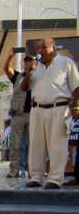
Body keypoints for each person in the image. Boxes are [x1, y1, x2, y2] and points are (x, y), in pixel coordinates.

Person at [21, 38, 79, 189]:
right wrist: (28, 72)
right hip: (37, 109)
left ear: (53, 48)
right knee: (35, 145)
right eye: (39, 48)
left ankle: (55, 179)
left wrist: (76, 107)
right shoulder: (36, 66)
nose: (40, 50)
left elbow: (76, 87)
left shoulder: (66, 62)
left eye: (44, 47)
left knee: (57, 146)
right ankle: (36, 177)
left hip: (59, 108)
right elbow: (24, 88)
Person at [3, 49, 34, 178]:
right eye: (26, 61)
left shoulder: (40, 76)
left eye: (30, 61)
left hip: (34, 115)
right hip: (18, 115)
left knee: (32, 145)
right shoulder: (18, 76)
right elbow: (6, 69)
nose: (27, 64)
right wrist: (10, 56)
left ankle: (33, 171)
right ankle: (13, 170)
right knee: (15, 145)